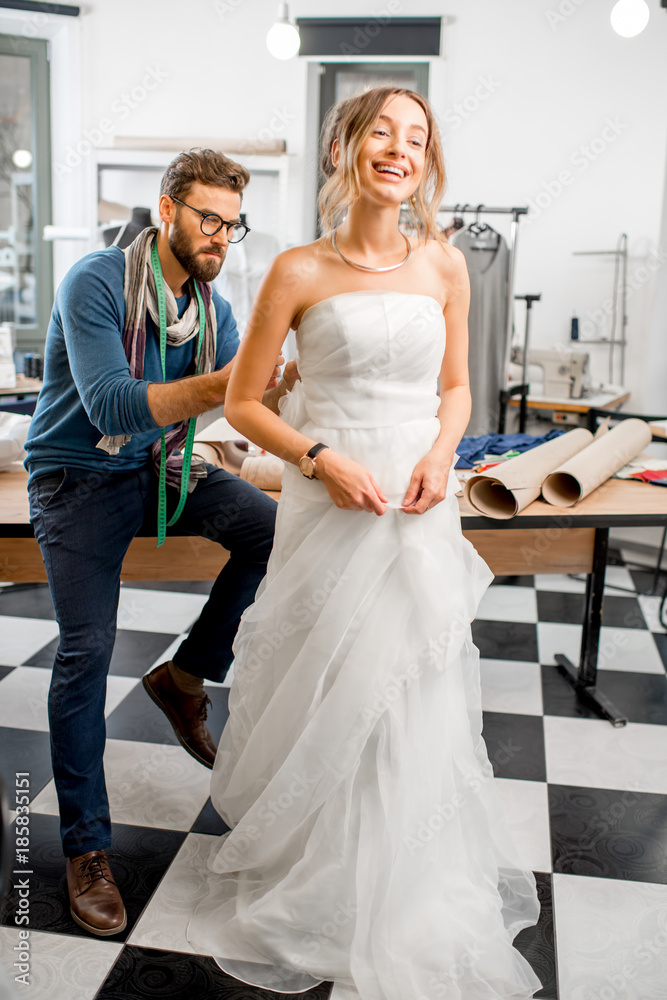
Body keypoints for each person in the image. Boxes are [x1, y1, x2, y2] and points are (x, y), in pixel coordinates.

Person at [186, 90, 543, 999]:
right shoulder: (297, 271)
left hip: (418, 498)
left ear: (426, 162)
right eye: (382, 131)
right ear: (345, 146)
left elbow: (459, 389)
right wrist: (318, 457)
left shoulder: (446, 266)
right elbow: (243, 403)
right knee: (328, 676)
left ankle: (408, 875)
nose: (399, 149)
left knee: (410, 684)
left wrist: (440, 452)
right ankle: (318, 866)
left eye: (415, 138)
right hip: (330, 494)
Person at [24, 149, 296, 938]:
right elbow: (112, 406)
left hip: (154, 464)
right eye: (208, 218)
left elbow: (248, 402)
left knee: (271, 534)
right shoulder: (97, 280)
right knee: (86, 648)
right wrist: (235, 381)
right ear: (168, 211)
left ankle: (182, 678)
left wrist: (313, 448)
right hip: (75, 472)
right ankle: (85, 850)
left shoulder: (213, 305)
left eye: (232, 223)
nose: (220, 236)